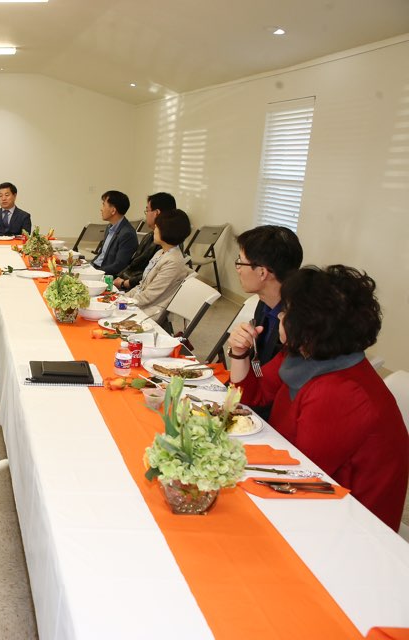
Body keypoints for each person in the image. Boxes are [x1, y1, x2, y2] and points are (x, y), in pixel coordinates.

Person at [229, 265, 408, 532]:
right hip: (300, 482)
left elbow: (302, 477)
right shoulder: (303, 353)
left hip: (350, 523)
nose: (280, 315)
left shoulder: (340, 392)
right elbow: (253, 394)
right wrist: (240, 351)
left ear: (311, 325)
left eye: (287, 311)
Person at [231, 225, 303, 367]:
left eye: (240, 262)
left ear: (262, 272)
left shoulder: (296, 323)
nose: (238, 269)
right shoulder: (265, 303)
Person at [125, 209, 192, 318]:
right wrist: (122, 298)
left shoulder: (173, 261)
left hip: (149, 313)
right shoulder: (160, 252)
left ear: (166, 231)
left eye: (156, 227)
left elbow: (150, 296)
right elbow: (142, 286)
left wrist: (123, 302)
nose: (154, 231)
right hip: (139, 305)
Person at [113, 192, 176, 290]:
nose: (146, 214)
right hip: (129, 283)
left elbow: (150, 274)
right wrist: (119, 277)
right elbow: (134, 263)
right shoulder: (150, 235)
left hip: (136, 287)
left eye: (147, 210)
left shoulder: (166, 243)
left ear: (156, 213)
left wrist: (124, 283)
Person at [90, 190, 138, 276]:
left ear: (113, 210)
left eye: (104, 205)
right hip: (97, 268)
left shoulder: (127, 234)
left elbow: (119, 266)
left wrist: (96, 272)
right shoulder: (110, 227)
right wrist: (89, 266)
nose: (101, 209)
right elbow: (101, 254)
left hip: (106, 274)